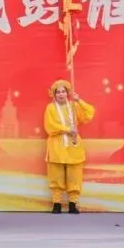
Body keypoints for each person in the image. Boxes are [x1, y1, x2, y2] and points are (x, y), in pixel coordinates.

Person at [43, 79, 96, 213]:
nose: (61, 94)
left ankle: (73, 203)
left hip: (73, 144)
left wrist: (79, 101)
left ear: (67, 93)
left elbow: (89, 114)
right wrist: (67, 129)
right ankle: (57, 204)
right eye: (58, 92)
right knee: (56, 174)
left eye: (63, 91)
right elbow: (50, 126)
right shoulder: (50, 108)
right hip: (57, 146)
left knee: (75, 174)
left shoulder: (74, 106)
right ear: (54, 94)